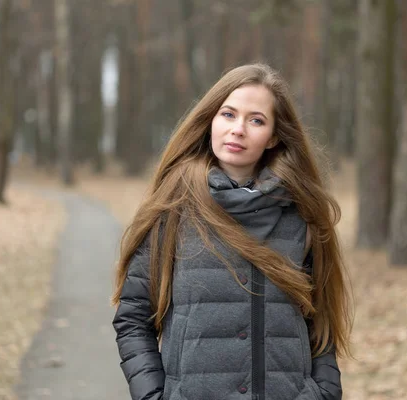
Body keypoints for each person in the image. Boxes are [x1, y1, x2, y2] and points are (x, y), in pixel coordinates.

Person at [112, 63, 352, 400]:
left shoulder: (302, 216)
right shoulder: (172, 210)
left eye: (256, 120)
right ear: (210, 119)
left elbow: (321, 322)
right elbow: (134, 319)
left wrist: (324, 393)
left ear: (274, 137)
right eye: (228, 114)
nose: (238, 129)